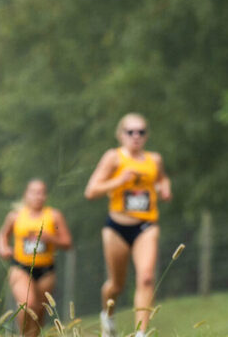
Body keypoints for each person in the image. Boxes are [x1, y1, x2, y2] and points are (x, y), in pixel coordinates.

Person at [84, 113, 172, 337]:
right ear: (120, 135)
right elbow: (91, 191)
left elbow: (162, 178)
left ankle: (141, 333)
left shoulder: (155, 159)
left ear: (146, 135)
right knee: (116, 285)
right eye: (130, 132)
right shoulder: (114, 158)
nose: (136, 136)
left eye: (141, 132)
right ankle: (108, 315)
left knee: (146, 278)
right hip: (116, 227)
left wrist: (164, 187)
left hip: (146, 226)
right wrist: (119, 181)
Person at [0, 180, 72, 337]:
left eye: (41, 192)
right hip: (20, 268)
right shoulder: (15, 217)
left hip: (46, 270)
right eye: (34, 192)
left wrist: (50, 238)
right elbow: (3, 235)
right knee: (27, 305)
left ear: (45, 196)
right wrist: (3, 248)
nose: (38, 196)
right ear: (26, 195)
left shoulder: (54, 216)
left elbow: (67, 243)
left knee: (39, 312)